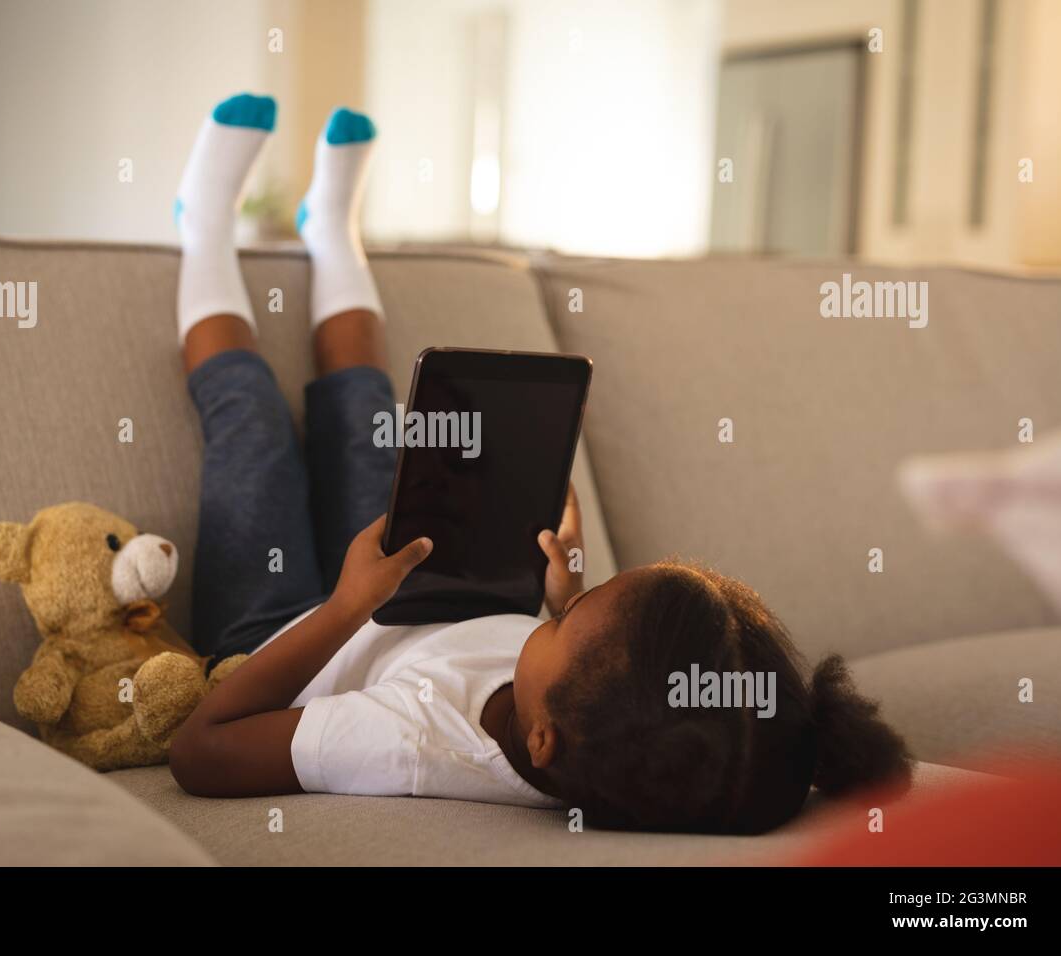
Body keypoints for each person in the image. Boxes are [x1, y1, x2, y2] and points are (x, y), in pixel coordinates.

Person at [168, 94, 912, 832]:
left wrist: (343, 608)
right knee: (370, 414)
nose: (562, 606)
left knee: (254, 428)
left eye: (567, 618)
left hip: (279, 636)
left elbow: (200, 751)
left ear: (542, 740)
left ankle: (201, 228)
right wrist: (562, 596)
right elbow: (594, 671)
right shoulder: (580, 715)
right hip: (406, 596)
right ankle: (331, 233)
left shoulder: (411, 742)